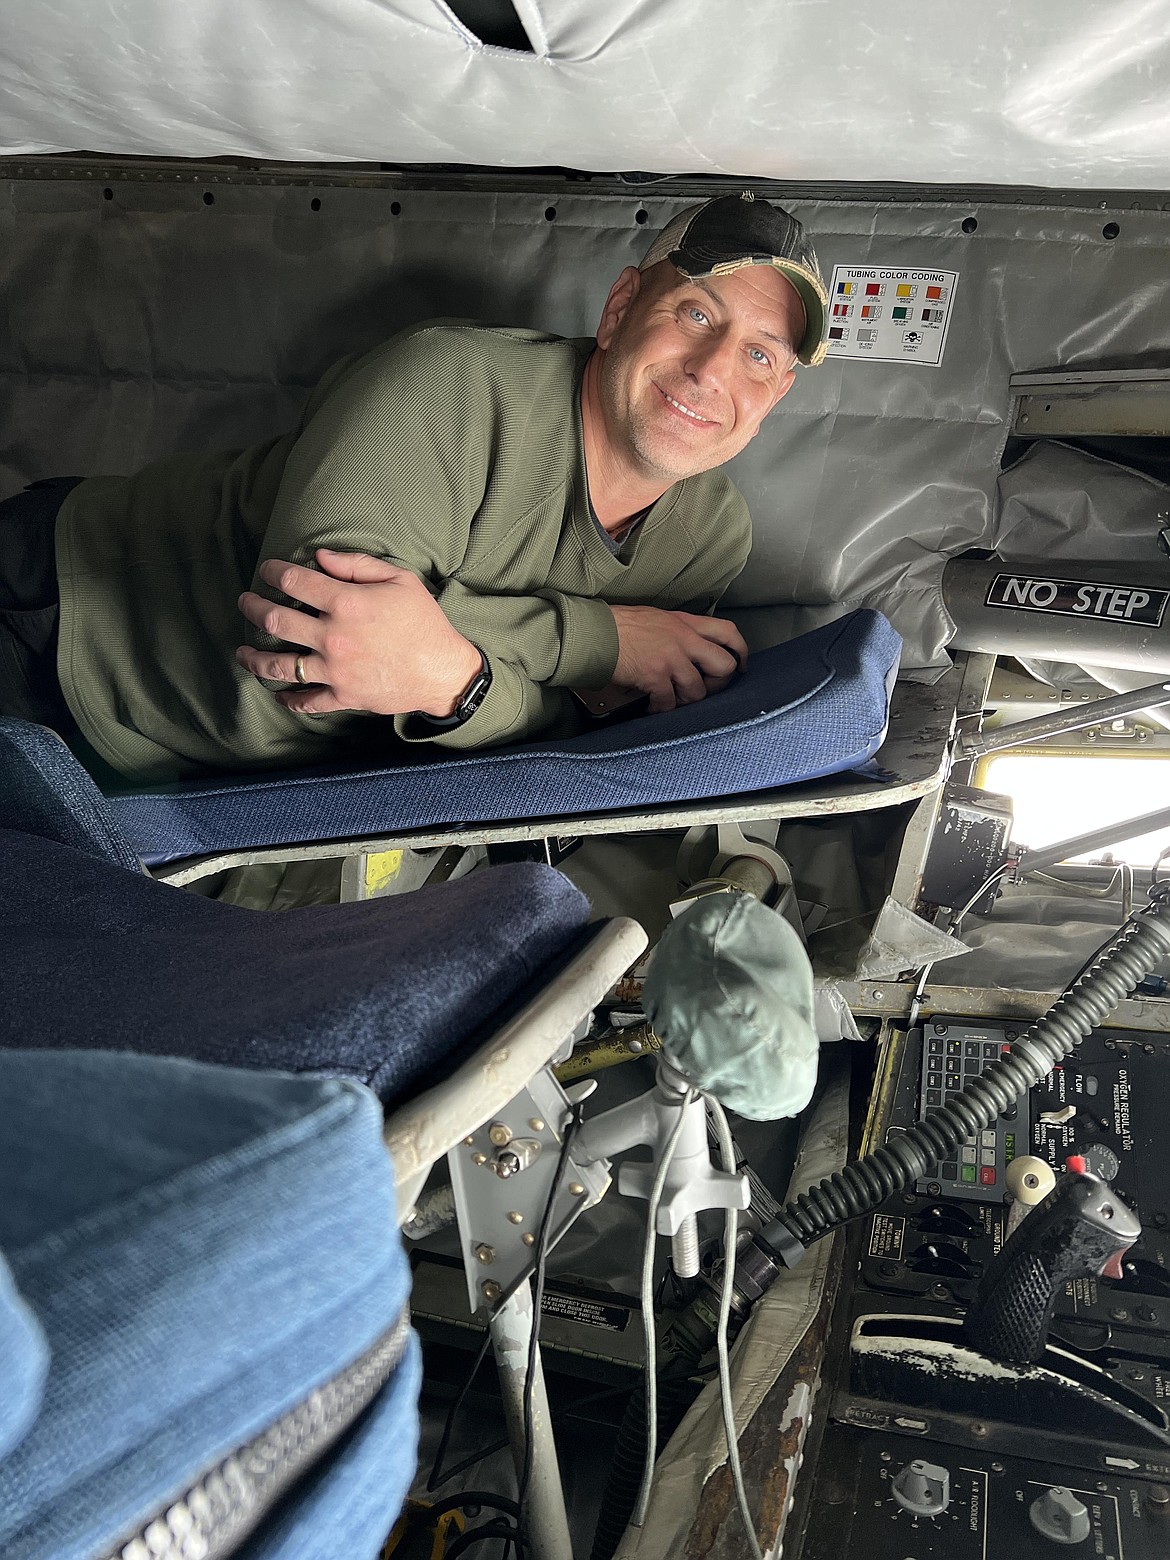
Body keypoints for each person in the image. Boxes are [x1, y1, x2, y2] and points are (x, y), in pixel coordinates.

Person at [0, 194, 827, 783]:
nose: (715, 370)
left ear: (776, 395)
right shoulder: (450, 381)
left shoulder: (711, 537)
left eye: (761, 355)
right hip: (60, 615)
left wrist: (453, 679)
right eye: (695, 314)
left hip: (179, 756)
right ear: (620, 309)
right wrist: (601, 641)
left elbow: (574, 741)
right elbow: (318, 639)